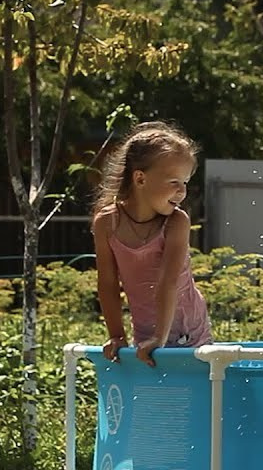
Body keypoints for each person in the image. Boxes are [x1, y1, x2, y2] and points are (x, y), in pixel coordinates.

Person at [91, 121, 212, 367]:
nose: (182, 192)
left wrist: (161, 337)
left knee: (192, 399)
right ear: (140, 179)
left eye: (185, 182)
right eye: (173, 182)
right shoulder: (107, 223)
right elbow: (107, 284)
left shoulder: (176, 222)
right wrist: (117, 336)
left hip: (189, 332)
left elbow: (168, 281)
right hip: (148, 333)